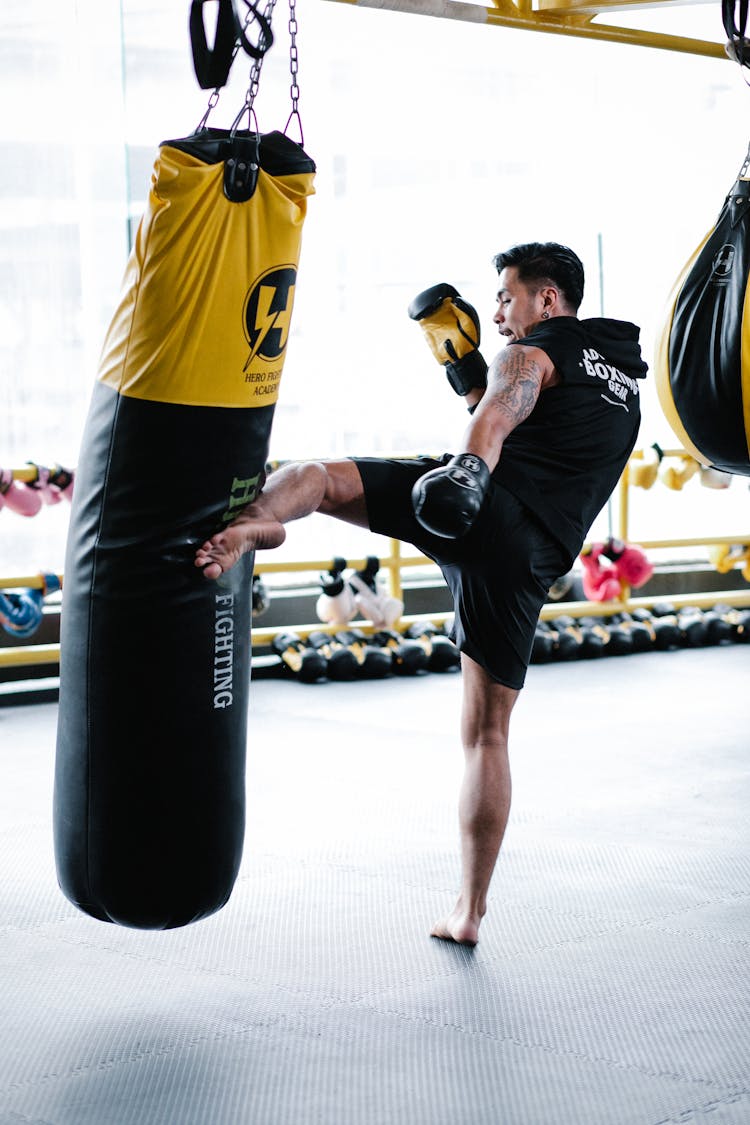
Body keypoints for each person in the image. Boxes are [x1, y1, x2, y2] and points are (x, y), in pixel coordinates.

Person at [194, 242, 648, 946]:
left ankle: (256, 522)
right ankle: (469, 911)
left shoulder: (538, 347)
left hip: (479, 499)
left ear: (548, 299)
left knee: (320, 473)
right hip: (528, 556)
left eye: (507, 296)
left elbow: (503, 405)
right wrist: (461, 371)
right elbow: (527, 423)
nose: (497, 312)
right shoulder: (622, 379)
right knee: (488, 736)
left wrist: (467, 468)